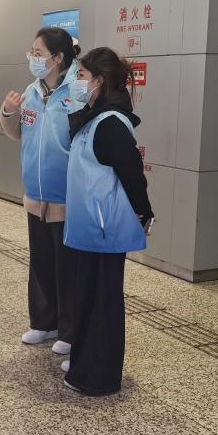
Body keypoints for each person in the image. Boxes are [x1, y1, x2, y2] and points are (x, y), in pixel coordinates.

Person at [61, 47, 154, 396]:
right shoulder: (94, 117)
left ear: (99, 81)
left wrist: (144, 211)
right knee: (88, 299)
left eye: (81, 76)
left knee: (102, 303)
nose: (76, 81)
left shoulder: (111, 123)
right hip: (90, 229)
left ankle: (99, 377)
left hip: (104, 229)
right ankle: (84, 364)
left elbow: (132, 174)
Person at [0, 27, 82, 356]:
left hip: (66, 199)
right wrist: (9, 111)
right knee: (41, 263)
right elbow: (17, 132)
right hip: (35, 195)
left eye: (38, 53)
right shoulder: (31, 91)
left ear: (58, 58)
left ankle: (70, 330)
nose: (32, 58)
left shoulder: (77, 91)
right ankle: (44, 322)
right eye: (31, 52)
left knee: (67, 269)